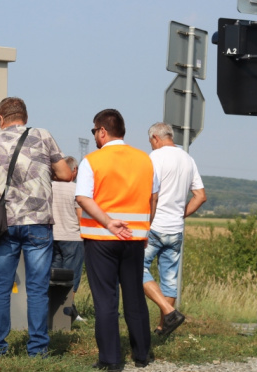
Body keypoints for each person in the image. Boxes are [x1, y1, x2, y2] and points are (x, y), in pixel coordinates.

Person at [0, 97, 72, 357]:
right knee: (37, 288)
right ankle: (37, 349)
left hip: (5, 224)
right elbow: (66, 174)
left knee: (0, 287)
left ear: (2, 118)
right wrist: (43, 172)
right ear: (25, 116)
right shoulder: (43, 136)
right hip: (38, 222)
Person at [75, 109, 156, 370]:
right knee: (134, 296)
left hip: (101, 238)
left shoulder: (92, 160)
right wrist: (145, 229)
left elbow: (83, 198)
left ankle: (110, 359)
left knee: (106, 299)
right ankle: (142, 354)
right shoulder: (144, 159)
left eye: (94, 132)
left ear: (102, 131)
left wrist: (108, 222)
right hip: (134, 237)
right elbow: (152, 198)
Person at [143, 122, 206, 337]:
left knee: (136, 268)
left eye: (150, 141)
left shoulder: (155, 158)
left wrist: (146, 222)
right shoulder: (188, 159)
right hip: (175, 229)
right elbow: (200, 196)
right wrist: (181, 213)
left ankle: (169, 311)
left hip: (155, 226)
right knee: (169, 280)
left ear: (155, 138)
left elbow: (152, 195)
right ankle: (163, 328)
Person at [50, 156, 84, 321]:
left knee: (53, 278)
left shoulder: (49, 187)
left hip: (52, 236)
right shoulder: (75, 189)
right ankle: (67, 315)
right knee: (71, 278)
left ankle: (53, 313)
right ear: (74, 170)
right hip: (72, 238)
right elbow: (80, 217)